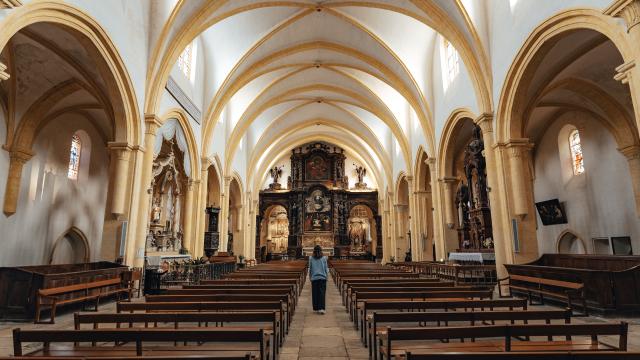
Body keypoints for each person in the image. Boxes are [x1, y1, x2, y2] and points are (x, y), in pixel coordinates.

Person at [309, 245, 329, 314]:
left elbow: (310, 268)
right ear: (321, 251)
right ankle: (322, 308)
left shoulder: (311, 258)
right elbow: (326, 268)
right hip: (322, 277)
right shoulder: (324, 258)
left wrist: (310, 277)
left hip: (314, 278)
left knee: (315, 293)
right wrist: (327, 276)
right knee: (322, 293)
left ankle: (316, 308)